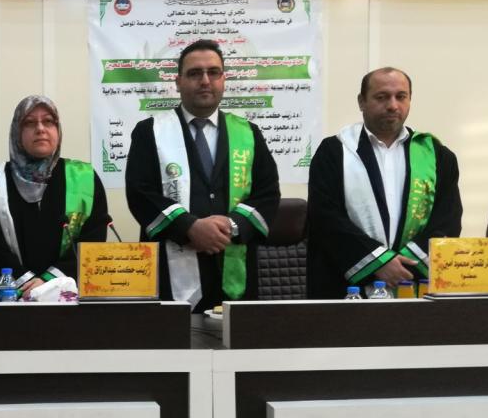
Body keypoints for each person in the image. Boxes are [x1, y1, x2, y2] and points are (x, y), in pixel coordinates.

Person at [125, 39, 280, 311]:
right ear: (178, 82)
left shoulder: (248, 133)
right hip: (170, 271)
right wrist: (190, 227)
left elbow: (267, 193)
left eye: (213, 72)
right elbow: (140, 193)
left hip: (233, 265)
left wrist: (231, 226)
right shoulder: (149, 132)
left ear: (224, 79)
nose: (205, 80)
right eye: (195, 73)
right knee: (173, 337)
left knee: (234, 337)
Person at [306, 67, 462, 298]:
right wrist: (378, 263)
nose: (392, 105)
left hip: (415, 283)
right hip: (346, 288)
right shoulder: (334, 152)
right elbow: (325, 218)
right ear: (361, 102)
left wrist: (405, 266)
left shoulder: (437, 155)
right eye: (382, 97)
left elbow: (447, 219)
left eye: (401, 96)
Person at [0, 95, 109, 292]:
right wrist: (25, 283)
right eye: (29, 123)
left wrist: (51, 281)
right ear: (17, 132)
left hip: (68, 293)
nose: (40, 129)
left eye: (48, 121)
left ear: (58, 130)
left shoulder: (84, 177)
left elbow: (93, 241)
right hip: (11, 294)